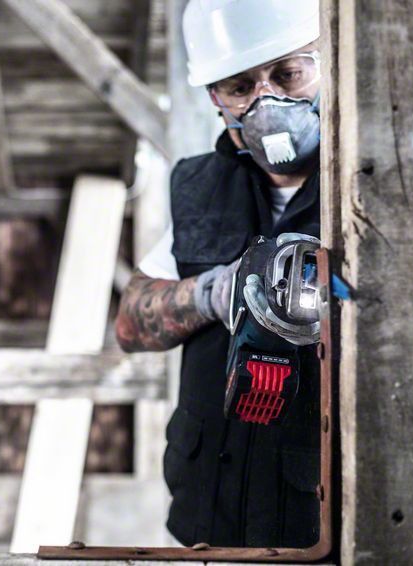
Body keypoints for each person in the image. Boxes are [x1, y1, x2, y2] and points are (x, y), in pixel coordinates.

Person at [115, 0, 323, 548]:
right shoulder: (198, 187)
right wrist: (211, 294)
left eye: (288, 74)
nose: (266, 101)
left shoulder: (374, 188)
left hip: (318, 521)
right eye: (240, 87)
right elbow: (130, 324)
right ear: (215, 97)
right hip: (206, 514)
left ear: (326, 66)